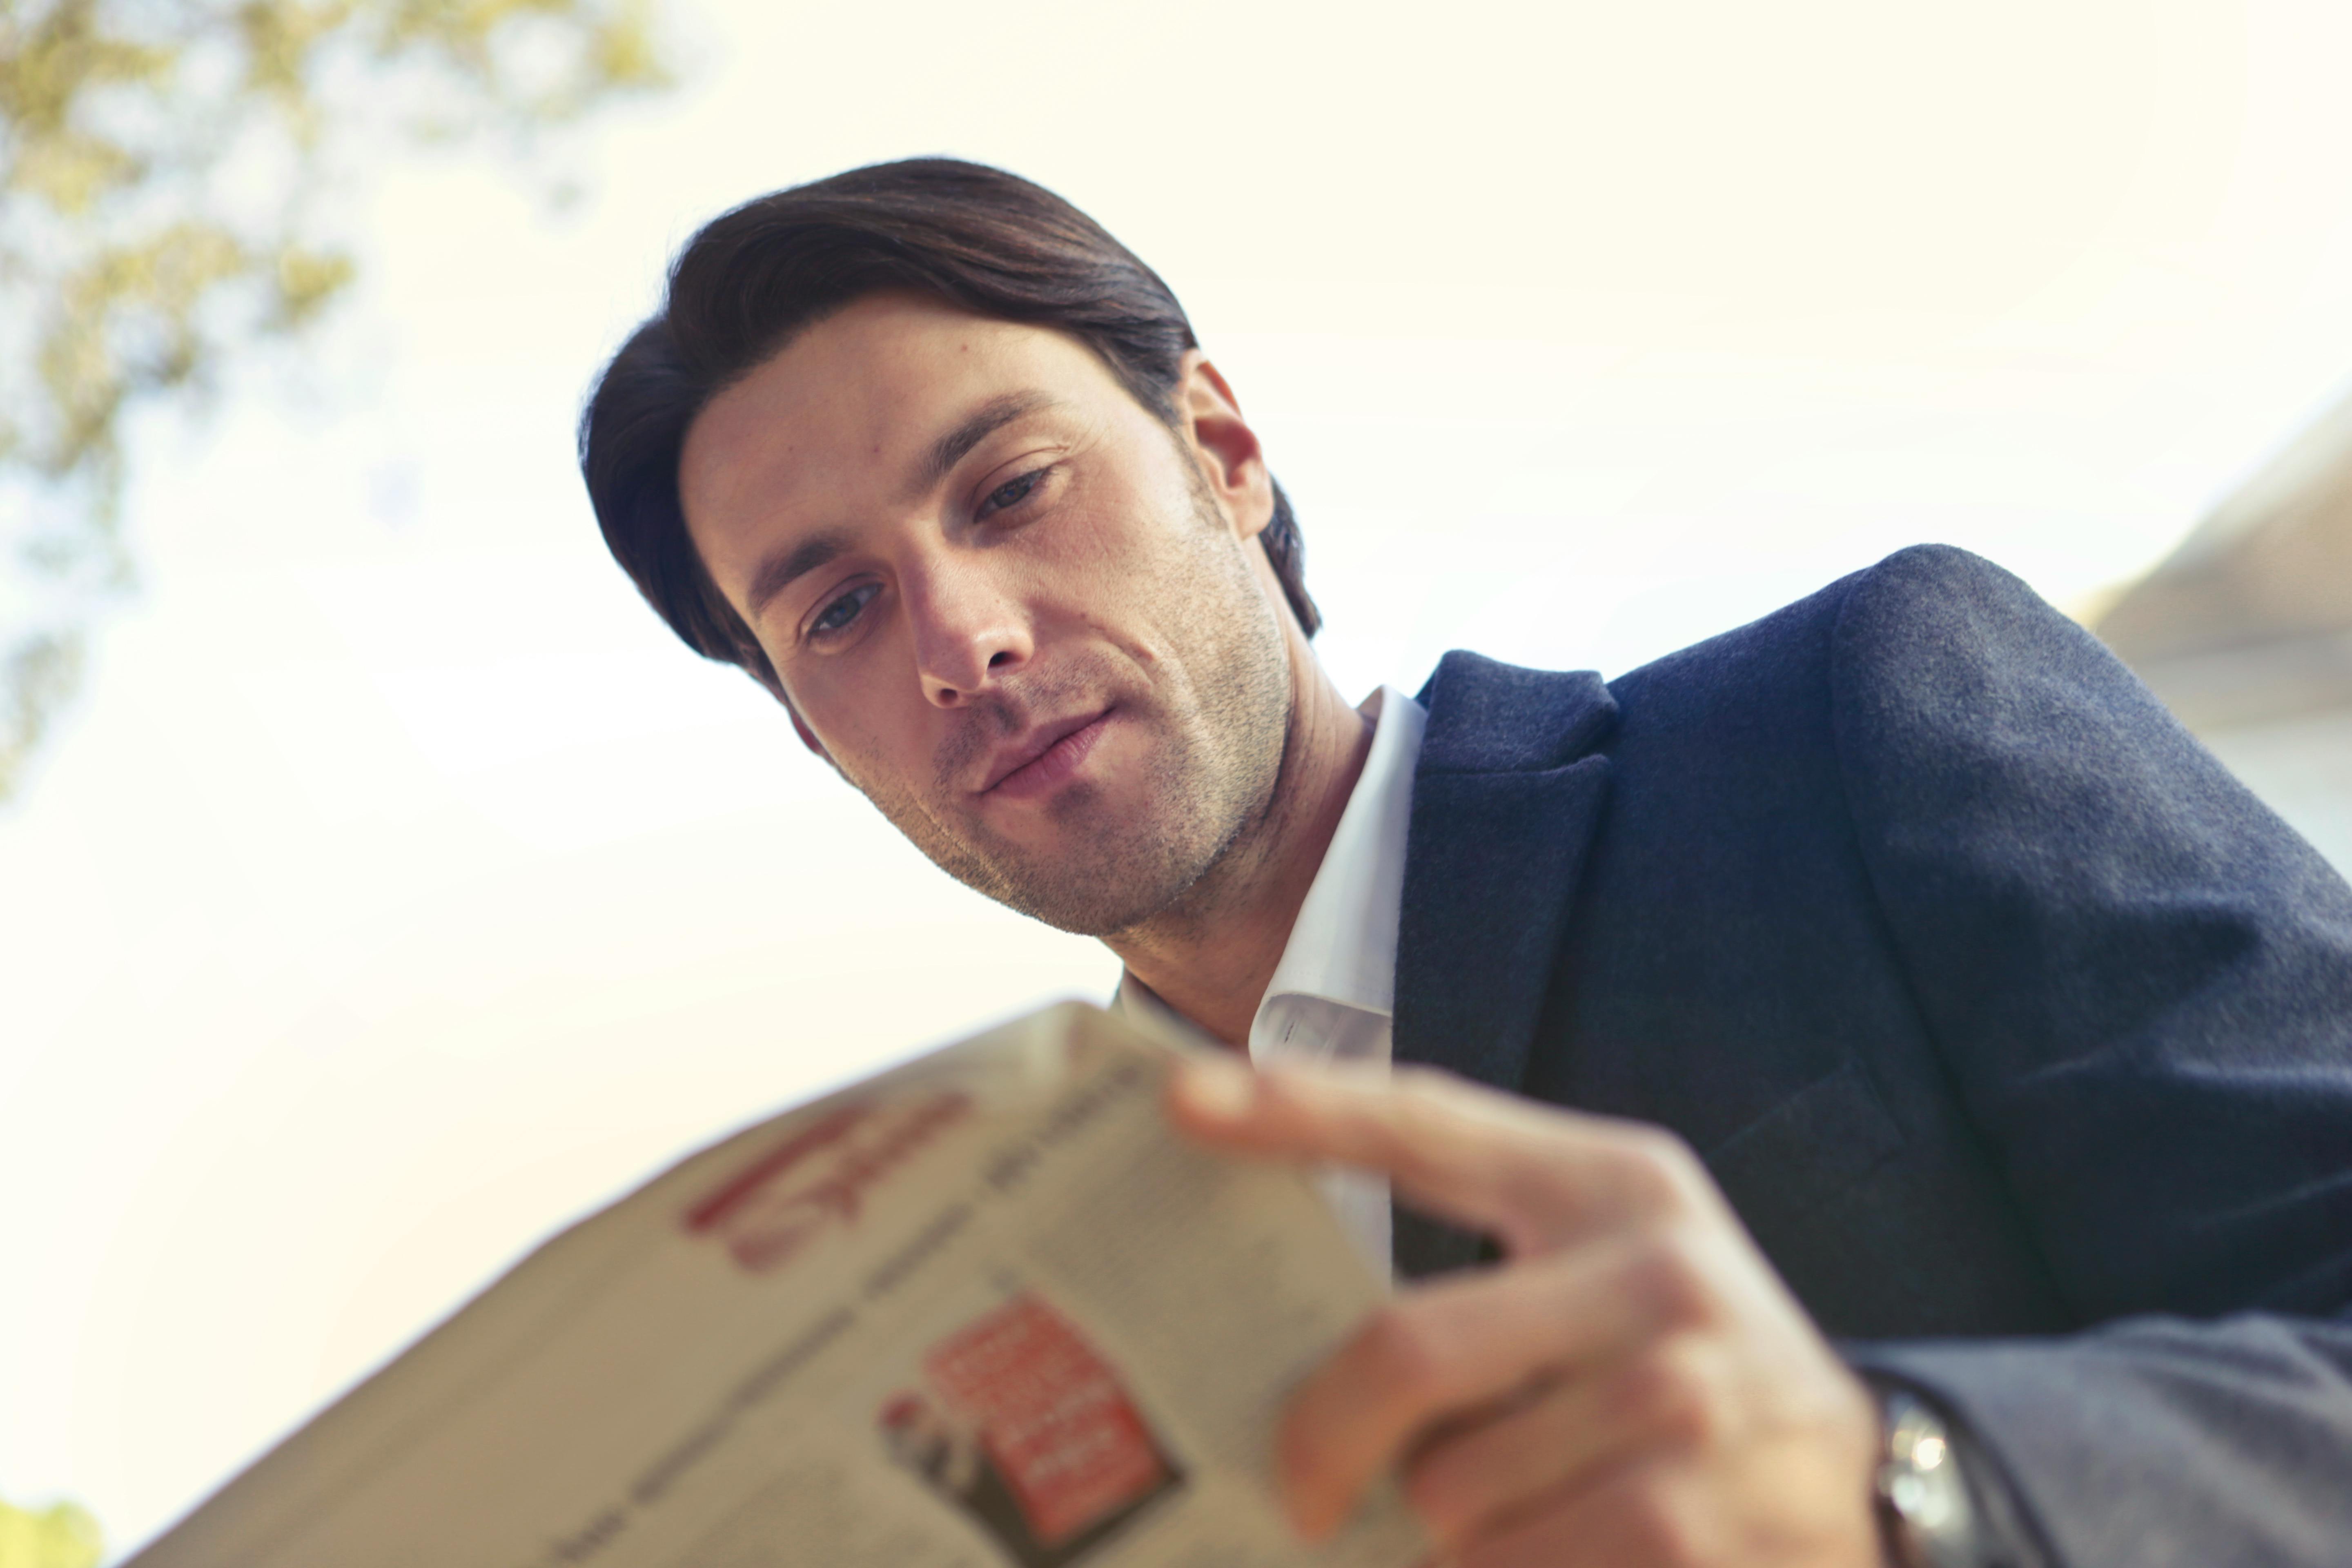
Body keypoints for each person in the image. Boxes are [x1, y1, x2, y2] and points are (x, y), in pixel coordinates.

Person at [579, 159, 2352, 1568]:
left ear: (1222, 448)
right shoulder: (1009, 1292)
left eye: (1011, 489)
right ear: (819, 734)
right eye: (839, 610)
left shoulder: (1849, 725)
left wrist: (1902, 1493)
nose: (957, 639)